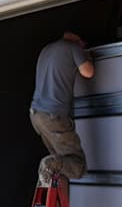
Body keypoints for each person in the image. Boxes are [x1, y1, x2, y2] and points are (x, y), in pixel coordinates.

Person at [29, 28, 95, 184]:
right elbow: (88, 72)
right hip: (54, 116)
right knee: (77, 166)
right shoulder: (73, 47)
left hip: (37, 115)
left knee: (61, 164)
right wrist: (87, 55)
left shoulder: (46, 50)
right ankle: (50, 164)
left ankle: (51, 170)